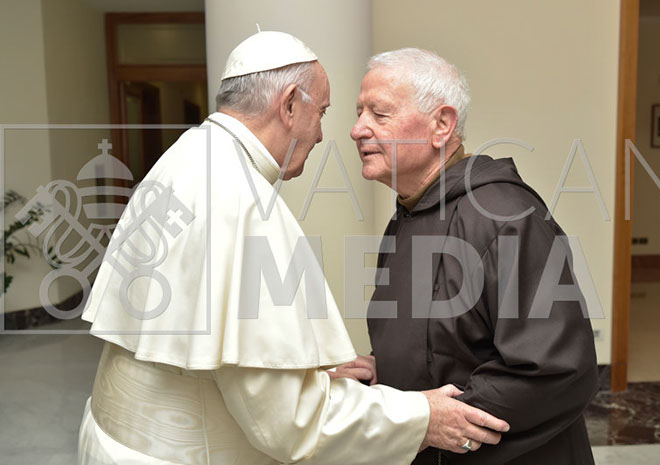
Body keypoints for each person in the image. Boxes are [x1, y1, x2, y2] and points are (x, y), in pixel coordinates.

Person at [77, 32, 509, 465]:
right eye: (321, 112)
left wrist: (298, 374)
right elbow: (290, 425)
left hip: (113, 440)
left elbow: (197, 339)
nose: (324, 134)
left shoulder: (189, 153)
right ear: (288, 105)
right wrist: (422, 417)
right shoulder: (244, 203)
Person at [351, 48, 599, 464]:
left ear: (442, 125)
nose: (358, 129)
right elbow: (447, 342)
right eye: (359, 113)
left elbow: (555, 369)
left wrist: (426, 421)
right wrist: (387, 369)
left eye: (379, 113)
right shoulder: (409, 215)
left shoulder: (506, 218)